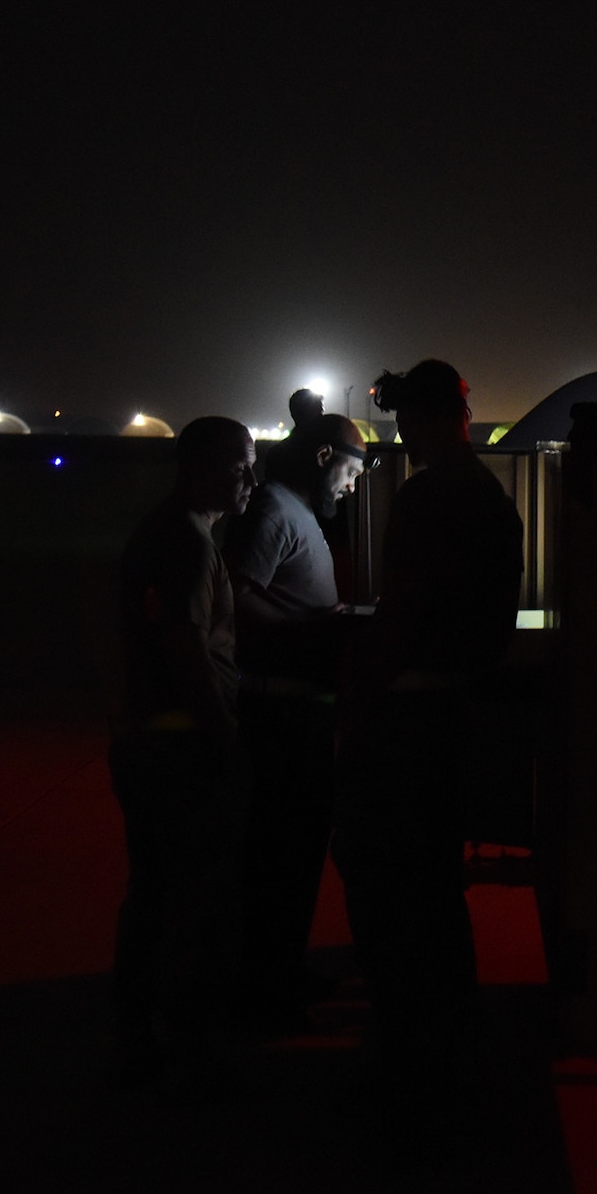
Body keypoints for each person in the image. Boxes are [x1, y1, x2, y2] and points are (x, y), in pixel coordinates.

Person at [334, 359, 523, 1122]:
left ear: (435, 418)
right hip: (452, 713)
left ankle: (412, 1063)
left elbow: (402, 613)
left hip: (408, 721)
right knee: (436, 894)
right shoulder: (489, 498)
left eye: (408, 421)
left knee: (389, 889)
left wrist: (359, 697)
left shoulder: (428, 494)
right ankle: (449, 1052)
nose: (403, 437)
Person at [108, 416, 257, 1088]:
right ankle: (190, 1049)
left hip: (149, 741)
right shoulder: (189, 545)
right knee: (195, 899)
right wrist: (225, 736)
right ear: (201, 470)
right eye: (239, 467)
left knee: (154, 891)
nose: (250, 480)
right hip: (180, 749)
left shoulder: (166, 532)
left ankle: (139, 1033)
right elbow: (187, 650)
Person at [223, 412, 369, 1028]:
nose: (353, 486)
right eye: (351, 471)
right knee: (279, 856)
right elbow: (234, 598)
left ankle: (280, 970)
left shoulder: (290, 511)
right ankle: (265, 987)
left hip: (298, 712)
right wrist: (313, 630)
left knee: (296, 854)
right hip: (278, 715)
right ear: (323, 457)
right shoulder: (274, 511)